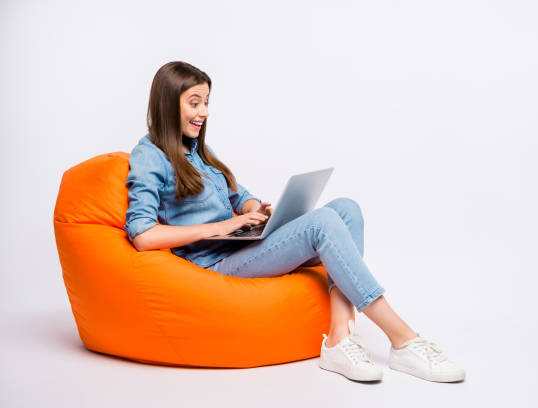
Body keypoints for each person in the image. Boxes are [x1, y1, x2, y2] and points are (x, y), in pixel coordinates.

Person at [124, 60, 466, 383]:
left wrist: (255, 209)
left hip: (241, 245)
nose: (204, 112)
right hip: (214, 264)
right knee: (322, 224)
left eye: (207, 102)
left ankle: (339, 338)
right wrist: (220, 227)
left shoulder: (197, 150)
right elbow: (142, 235)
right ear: (168, 103)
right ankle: (404, 340)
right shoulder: (149, 155)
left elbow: (238, 194)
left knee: (347, 209)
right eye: (194, 102)